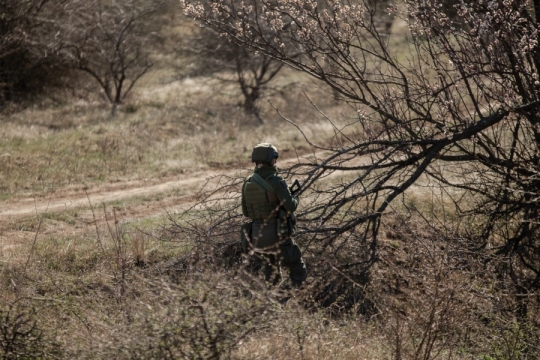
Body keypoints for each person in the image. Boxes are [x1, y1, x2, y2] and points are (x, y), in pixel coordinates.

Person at [241, 143, 307, 287]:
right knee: (299, 272)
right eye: (274, 158)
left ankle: (274, 304)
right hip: (278, 236)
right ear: (271, 160)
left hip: (257, 239)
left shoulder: (247, 182)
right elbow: (290, 206)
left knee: (271, 280)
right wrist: (295, 197)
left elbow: (246, 212)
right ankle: (285, 301)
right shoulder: (276, 180)